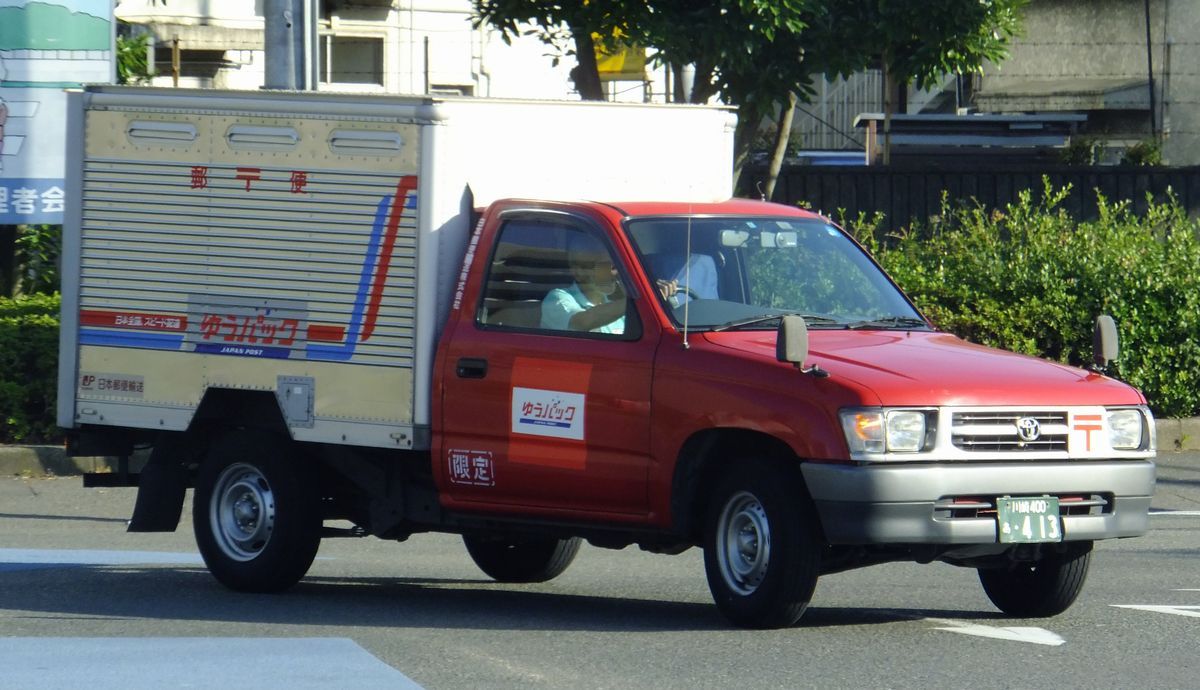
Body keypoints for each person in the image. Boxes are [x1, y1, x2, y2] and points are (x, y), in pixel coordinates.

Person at [541, 232, 627, 334]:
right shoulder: (557, 298)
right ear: (578, 272)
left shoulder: (613, 306)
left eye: (614, 267)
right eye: (604, 267)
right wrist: (632, 302)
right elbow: (581, 323)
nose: (613, 273)